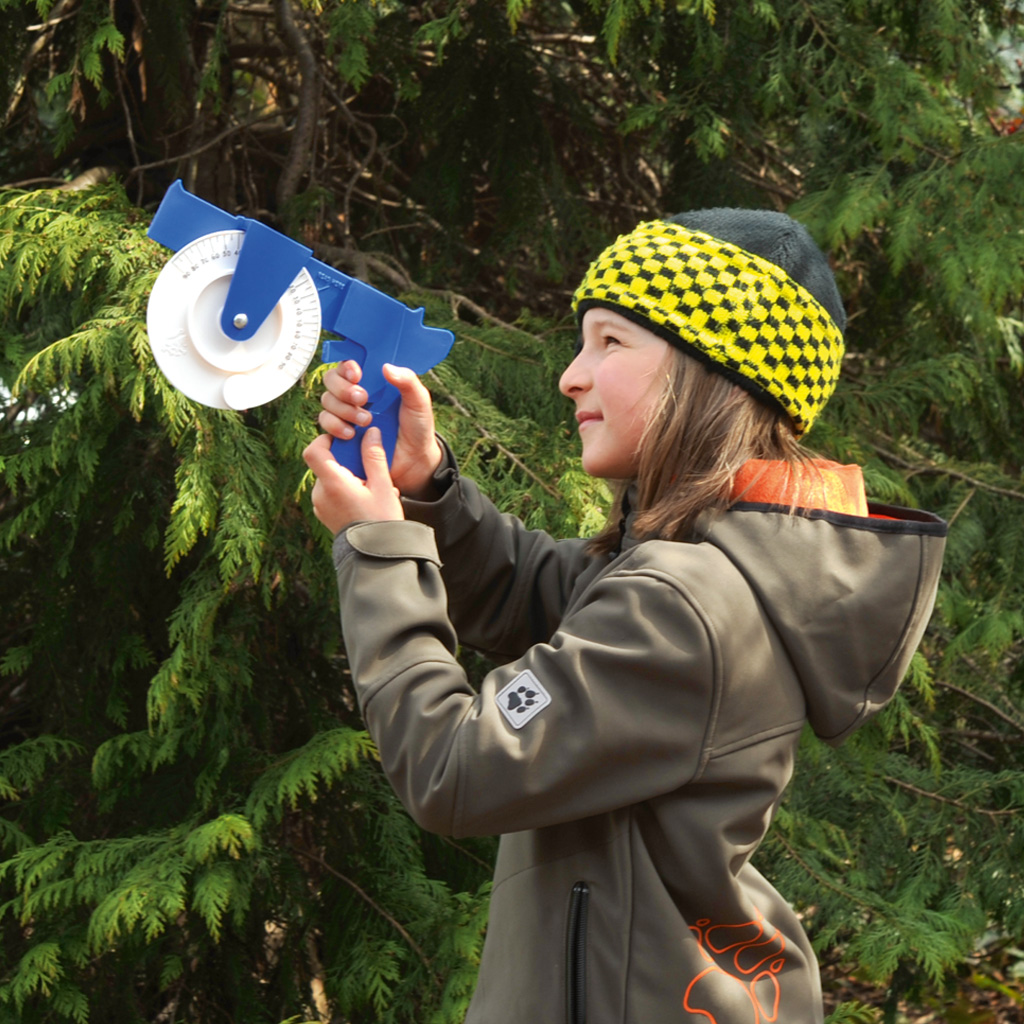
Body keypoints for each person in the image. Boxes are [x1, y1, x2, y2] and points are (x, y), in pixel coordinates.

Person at [302, 211, 947, 1024]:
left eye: (610, 344)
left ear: (710, 374)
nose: (573, 375)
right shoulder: (698, 577)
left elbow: (455, 768)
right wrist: (426, 488)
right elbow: (535, 592)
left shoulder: (687, 605)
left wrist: (381, 548)